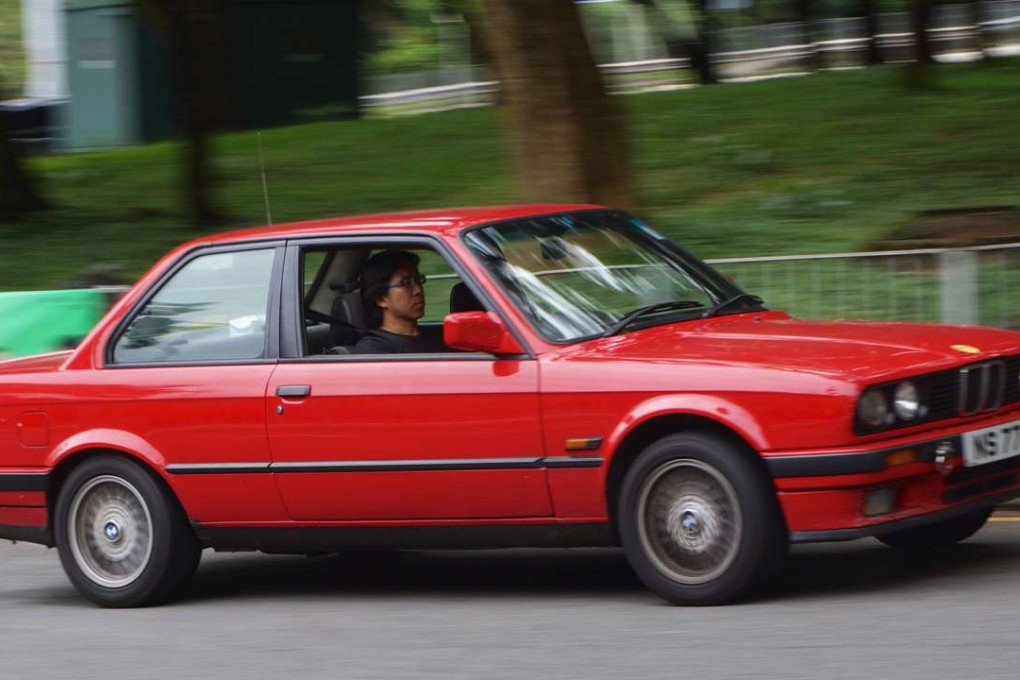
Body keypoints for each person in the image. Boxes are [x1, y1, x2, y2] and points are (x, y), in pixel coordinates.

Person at [352, 249, 450, 354]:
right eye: (406, 283)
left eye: (418, 280)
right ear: (382, 299)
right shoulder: (373, 350)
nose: (418, 290)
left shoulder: (438, 337)